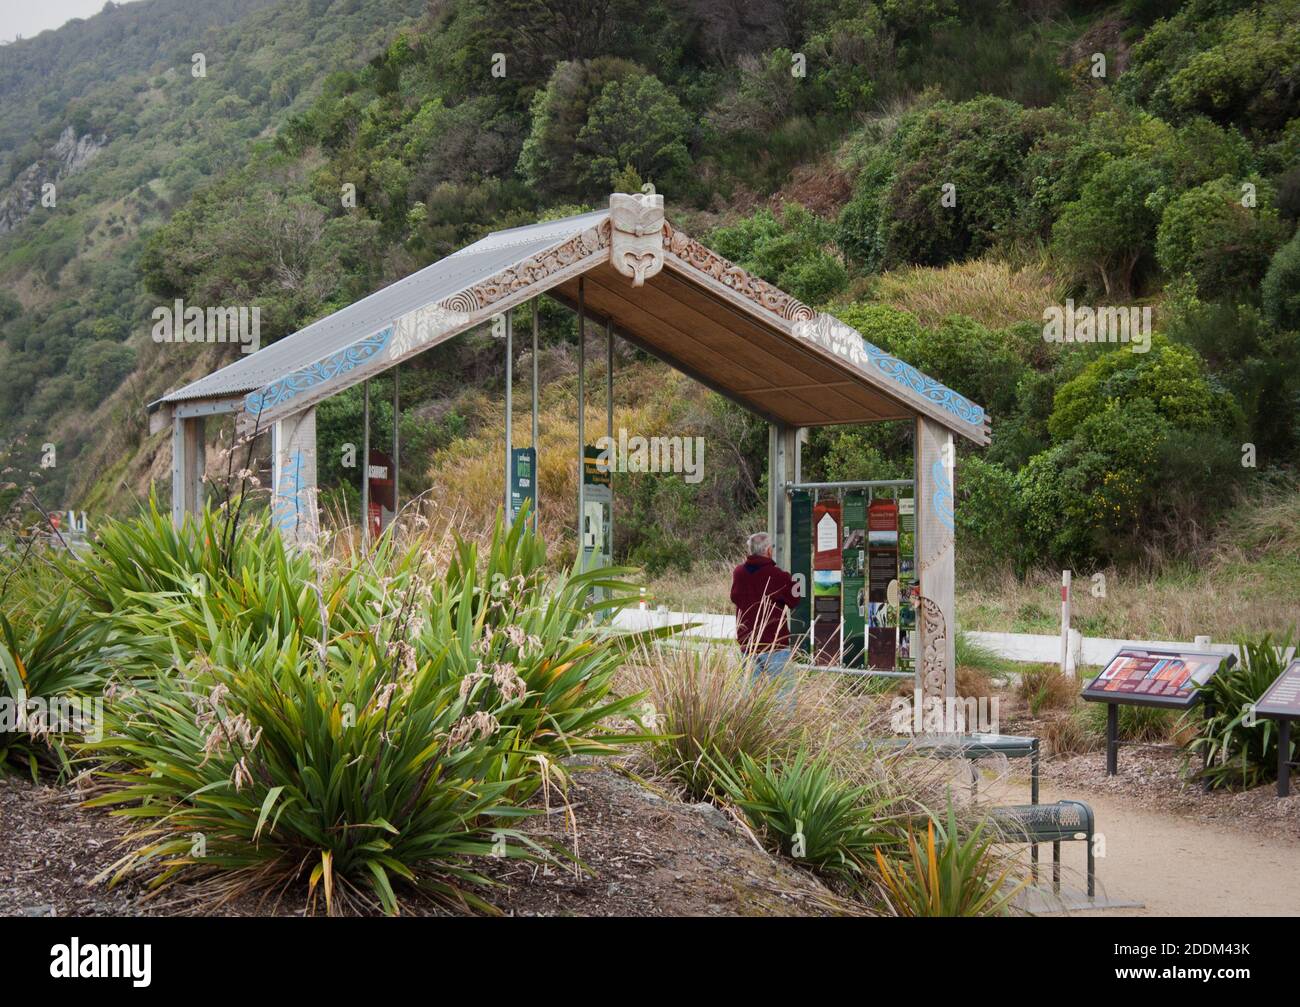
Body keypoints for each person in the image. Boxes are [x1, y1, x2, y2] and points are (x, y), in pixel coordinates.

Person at [730, 531, 799, 680]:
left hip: (748, 644)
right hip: (774, 645)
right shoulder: (777, 575)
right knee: (784, 695)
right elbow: (794, 600)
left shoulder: (738, 573)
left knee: (749, 696)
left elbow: (734, 597)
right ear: (768, 550)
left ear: (750, 550)